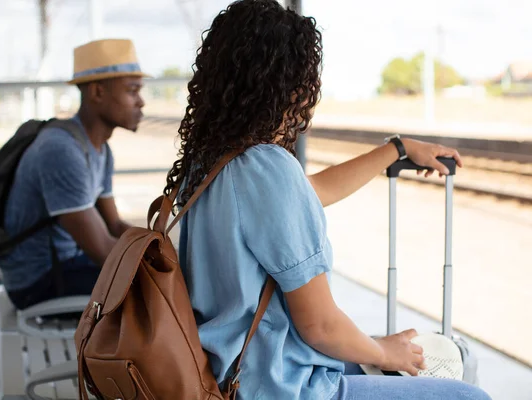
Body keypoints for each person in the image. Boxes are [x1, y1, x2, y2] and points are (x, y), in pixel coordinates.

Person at [164, 1, 492, 399]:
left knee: (386, 355)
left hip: (229, 369)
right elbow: (320, 326)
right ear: (290, 85)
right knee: (467, 396)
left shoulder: (212, 163)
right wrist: (386, 353)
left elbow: (312, 191)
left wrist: (396, 148)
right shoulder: (267, 169)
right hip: (278, 385)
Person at [0, 39, 147, 310]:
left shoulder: (101, 150)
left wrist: (157, 247)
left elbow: (113, 226)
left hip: (69, 262)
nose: (141, 102)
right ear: (97, 92)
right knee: (151, 292)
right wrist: (160, 269)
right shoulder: (61, 150)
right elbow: (102, 250)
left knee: (160, 282)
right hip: (37, 280)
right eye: (132, 90)